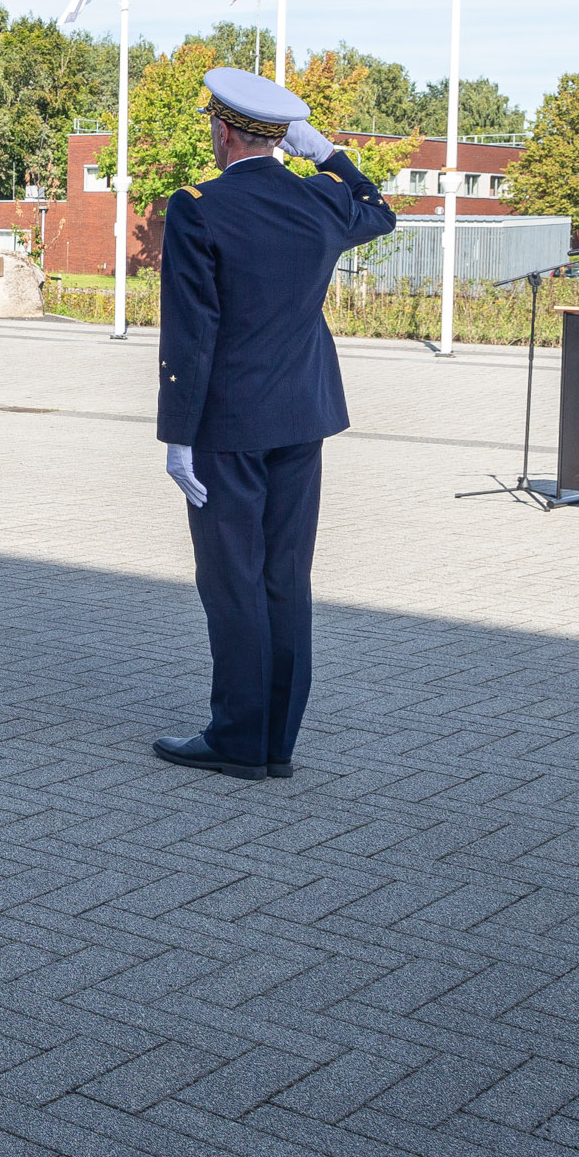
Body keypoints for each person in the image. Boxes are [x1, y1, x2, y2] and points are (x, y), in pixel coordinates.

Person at [152, 68, 397, 782]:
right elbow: (379, 211)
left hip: (228, 425)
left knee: (233, 582)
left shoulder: (200, 206)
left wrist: (176, 433)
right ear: (279, 136)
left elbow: (192, 332)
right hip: (302, 416)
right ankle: (277, 742)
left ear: (222, 130)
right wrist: (329, 156)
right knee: (285, 579)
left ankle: (238, 739)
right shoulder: (319, 199)